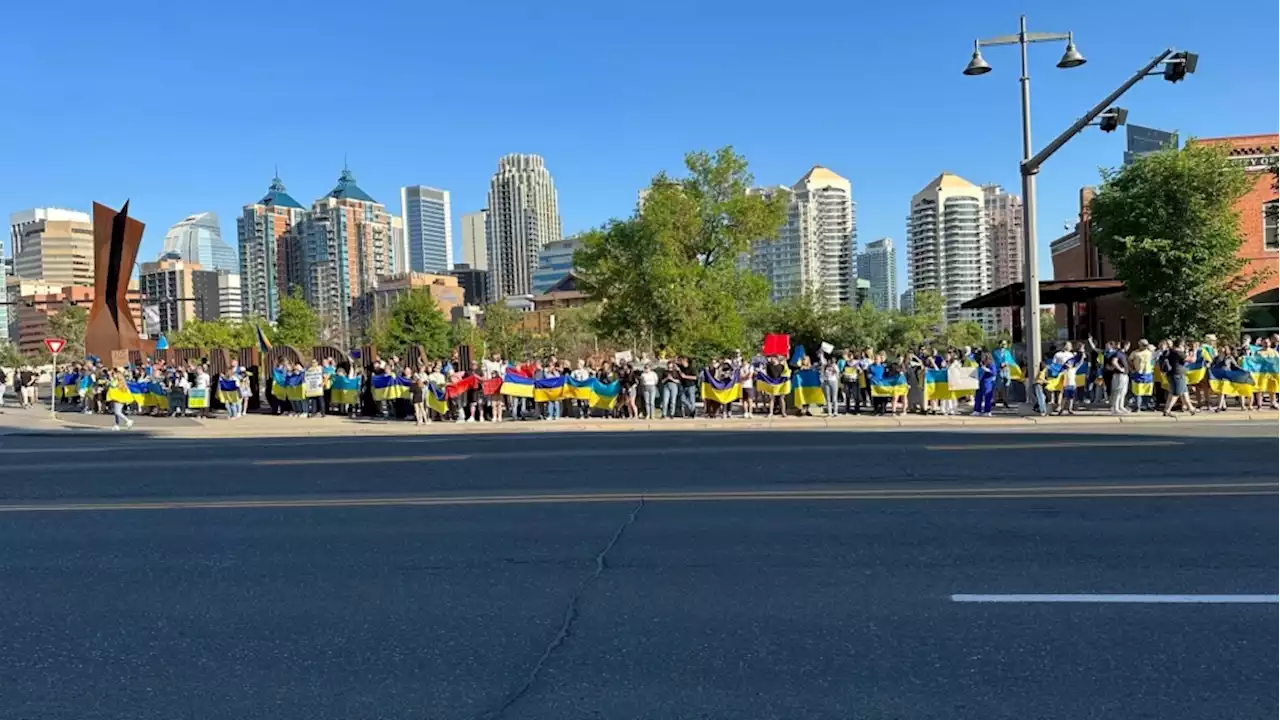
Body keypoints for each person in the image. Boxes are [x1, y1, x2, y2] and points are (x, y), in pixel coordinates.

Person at [1161, 339, 1197, 416]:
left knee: (1184, 393)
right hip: (1177, 375)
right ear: (1181, 345)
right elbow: (1192, 360)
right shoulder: (1178, 353)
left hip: (1171, 374)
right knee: (1176, 394)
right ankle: (1167, 410)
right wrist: (1195, 352)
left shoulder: (1170, 352)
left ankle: (1191, 409)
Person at [992, 340, 1015, 409]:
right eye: (1002, 344)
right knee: (998, 386)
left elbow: (1011, 361)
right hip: (999, 370)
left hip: (1007, 370)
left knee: (1007, 386)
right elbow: (993, 361)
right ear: (999, 344)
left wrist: (1007, 363)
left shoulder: (1008, 352)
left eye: (1005, 344)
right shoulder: (995, 352)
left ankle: (1006, 401)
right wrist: (999, 365)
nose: (1004, 345)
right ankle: (994, 400)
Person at [1109, 341, 1130, 414]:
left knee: (1123, 392)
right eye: (1128, 345)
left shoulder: (1123, 354)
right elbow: (1114, 361)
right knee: (1118, 391)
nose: (1128, 347)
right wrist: (1120, 369)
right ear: (1125, 345)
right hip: (1119, 375)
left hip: (1124, 375)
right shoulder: (1118, 353)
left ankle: (1121, 406)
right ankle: (1115, 408)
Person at [973, 352, 996, 417]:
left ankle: (987, 411)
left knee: (987, 397)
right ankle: (977, 410)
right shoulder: (980, 364)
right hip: (980, 381)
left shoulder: (991, 364)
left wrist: (987, 370)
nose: (982, 358)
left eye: (984, 357)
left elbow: (994, 373)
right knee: (978, 396)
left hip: (987, 382)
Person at [820, 352, 840, 418]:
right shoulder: (824, 366)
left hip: (834, 381)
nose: (830, 362)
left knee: (834, 398)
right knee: (828, 398)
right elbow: (822, 373)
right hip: (826, 382)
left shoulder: (835, 365)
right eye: (829, 360)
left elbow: (837, 373)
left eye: (831, 360)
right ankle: (829, 412)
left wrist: (833, 367)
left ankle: (835, 412)